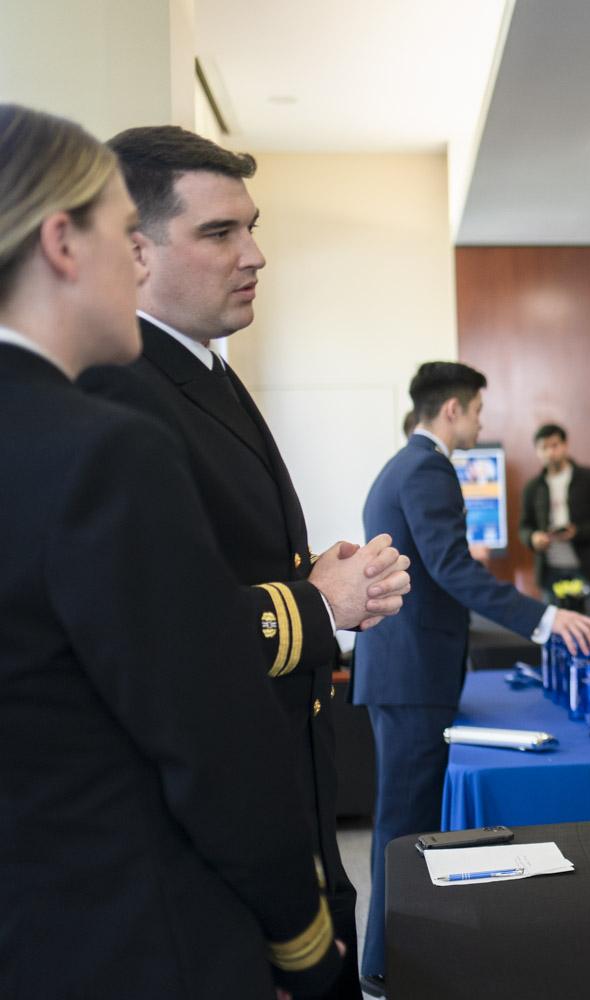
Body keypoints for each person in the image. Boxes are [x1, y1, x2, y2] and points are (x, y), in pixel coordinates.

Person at [0, 102, 344, 999]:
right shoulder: (98, 444)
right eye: (125, 234)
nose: (136, 261)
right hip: (133, 929)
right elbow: (208, 735)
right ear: (64, 244)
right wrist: (301, 942)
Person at [75, 125, 410, 998]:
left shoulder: (201, 369)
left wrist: (320, 582)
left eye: (251, 226)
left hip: (281, 809)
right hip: (200, 863)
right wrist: (312, 604)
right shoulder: (117, 389)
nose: (255, 254)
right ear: (134, 252)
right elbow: (148, 642)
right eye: (219, 233)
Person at [354, 362, 590, 992]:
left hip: (401, 668)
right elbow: (452, 570)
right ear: (453, 410)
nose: (483, 422)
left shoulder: (402, 465)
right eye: (479, 410)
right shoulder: (429, 468)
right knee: (403, 826)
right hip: (412, 675)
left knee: (402, 822)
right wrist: (544, 617)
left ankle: (391, 957)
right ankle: (384, 966)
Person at [520, 422, 590, 600]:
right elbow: (524, 526)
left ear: (565, 445)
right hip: (551, 570)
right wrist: (533, 538)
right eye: (544, 448)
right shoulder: (533, 488)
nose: (550, 453)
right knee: (555, 624)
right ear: (537, 451)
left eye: (555, 445)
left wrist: (578, 532)